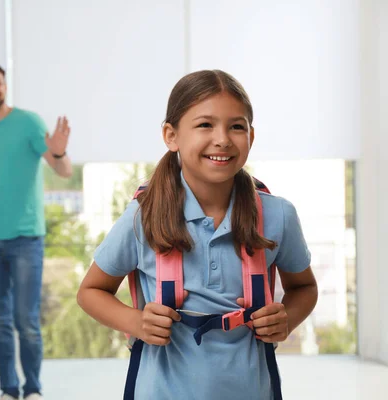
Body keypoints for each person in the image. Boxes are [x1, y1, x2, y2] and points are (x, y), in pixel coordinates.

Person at [76, 70, 318, 399]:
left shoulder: (278, 215)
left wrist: (286, 318)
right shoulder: (143, 217)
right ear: (171, 135)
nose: (222, 138)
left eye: (237, 126)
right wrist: (135, 322)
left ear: (251, 135)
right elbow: (90, 291)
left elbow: (304, 287)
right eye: (205, 125)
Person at [0, 61, 72, 400]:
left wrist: (59, 149)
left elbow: (63, 169)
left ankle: (33, 389)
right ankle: (9, 389)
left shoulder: (28, 121)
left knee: (26, 322)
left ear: (5, 86)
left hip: (27, 237)